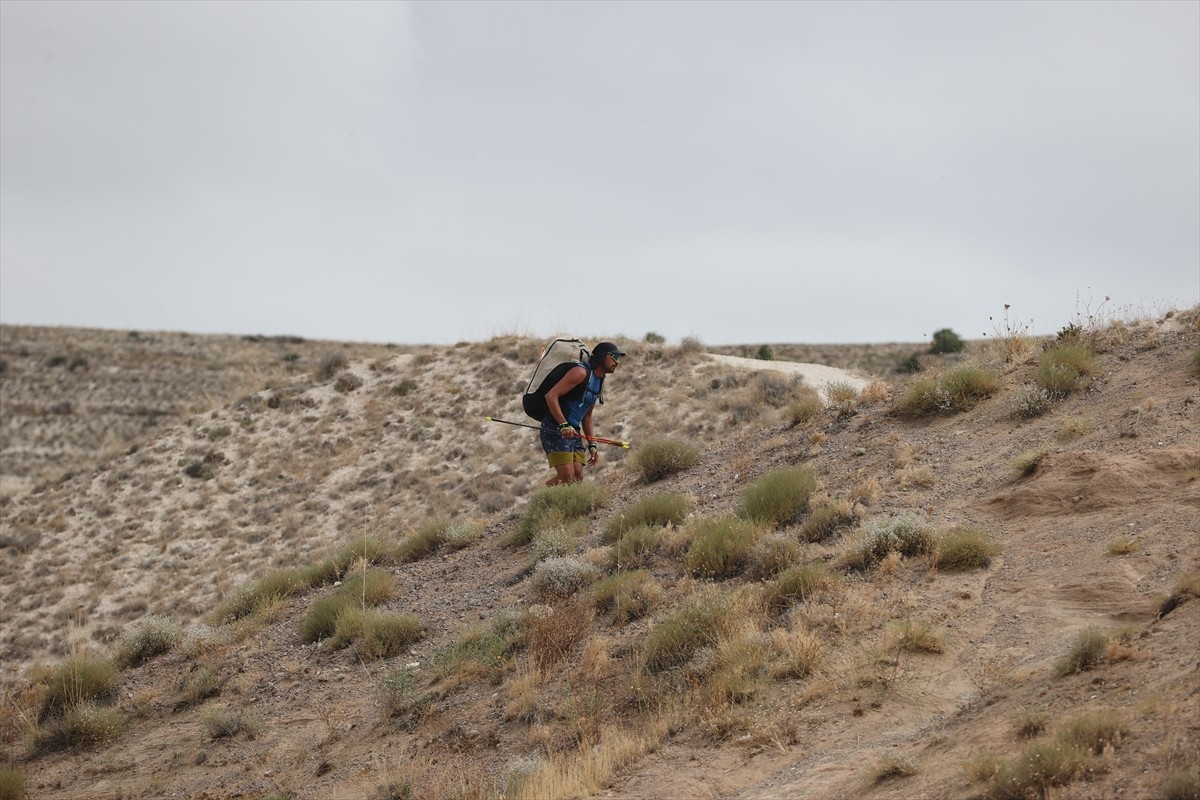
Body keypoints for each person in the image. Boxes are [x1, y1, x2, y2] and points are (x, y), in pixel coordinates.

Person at [540, 341, 624, 485]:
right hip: (554, 427)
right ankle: (541, 501)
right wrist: (563, 424)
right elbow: (551, 396)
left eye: (619, 358)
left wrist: (592, 444)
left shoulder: (599, 380)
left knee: (578, 477)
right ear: (603, 356)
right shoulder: (580, 372)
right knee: (567, 476)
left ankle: (565, 507)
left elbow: (587, 415)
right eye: (614, 357)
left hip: (574, 431)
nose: (617, 362)